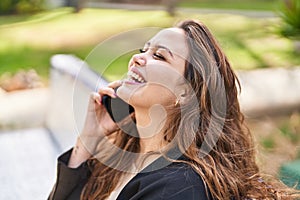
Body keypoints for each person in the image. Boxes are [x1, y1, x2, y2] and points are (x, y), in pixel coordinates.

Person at [48, 20, 299, 200]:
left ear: (186, 92)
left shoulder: (179, 187)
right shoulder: (121, 158)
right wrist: (88, 141)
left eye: (159, 56)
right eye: (143, 50)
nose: (138, 58)